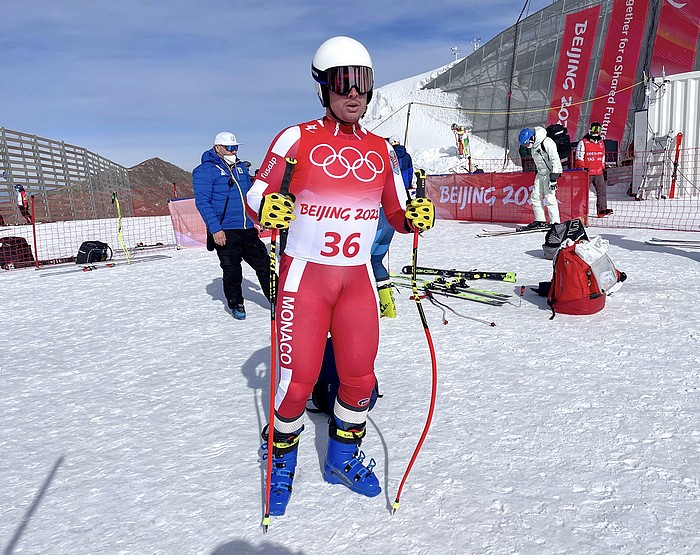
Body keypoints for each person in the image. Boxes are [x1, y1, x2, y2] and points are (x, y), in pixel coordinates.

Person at [246, 36, 435, 516]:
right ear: (323, 88)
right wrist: (265, 206)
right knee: (296, 383)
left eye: (363, 84)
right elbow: (256, 194)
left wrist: (416, 216)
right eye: (342, 83)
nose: (354, 94)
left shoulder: (381, 150)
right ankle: (281, 459)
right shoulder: (296, 139)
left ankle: (342, 455)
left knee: (359, 379)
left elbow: (396, 212)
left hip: (356, 281)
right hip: (305, 280)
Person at [192, 132, 271, 320]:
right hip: (225, 230)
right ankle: (236, 303)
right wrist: (215, 229)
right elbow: (203, 202)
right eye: (229, 148)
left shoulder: (241, 167)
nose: (233, 150)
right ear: (217, 148)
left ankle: (277, 300)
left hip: (247, 227)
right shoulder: (205, 170)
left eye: (235, 147)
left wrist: (258, 218)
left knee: (264, 265)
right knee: (232, 269)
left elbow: (250, 195)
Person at [370, 137, 415, 319]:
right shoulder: (406, 157)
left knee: (365, 263)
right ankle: (389, 307)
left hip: (380, 210)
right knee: (377, 261)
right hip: (397, 209)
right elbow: (409, 175)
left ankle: (374, 306)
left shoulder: (382, 157)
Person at [517, 127, 561, 231]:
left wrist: (554, 177)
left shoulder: (547, 143)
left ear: (532, 138)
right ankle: (540, 220)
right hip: (540, 173)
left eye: (527, 144)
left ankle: (555, 223)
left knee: (550, 197)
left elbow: (555, 159)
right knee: (535, 196)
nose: (527, 146)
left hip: (550, 173)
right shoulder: (534, 146)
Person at [575, 121, 613, 217]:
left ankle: (602, 210)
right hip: (587, 172)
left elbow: (603, 155)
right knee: (582, 192)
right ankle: (576, 210)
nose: (596, 131)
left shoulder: (601, 142)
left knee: (602, 191)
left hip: (598, 171)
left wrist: (602, 166)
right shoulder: (583, 142)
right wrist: (583, 169)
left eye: (598, 129)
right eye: (594, 129)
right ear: (590, 130)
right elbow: (579, 157)